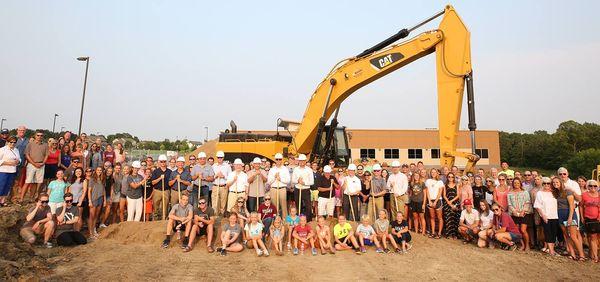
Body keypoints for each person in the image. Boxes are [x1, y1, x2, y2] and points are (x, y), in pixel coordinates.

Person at [553, 176, 586, 260]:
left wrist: (570, 218)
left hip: (569, 214)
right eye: (553, 183)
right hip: (561, 215)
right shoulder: (556, 193)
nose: (555, 184)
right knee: (566, 236)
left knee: (573, 236)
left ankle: (582, 255)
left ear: (561, 183)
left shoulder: (567, 191)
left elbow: (571, 206)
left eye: (557, 182)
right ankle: (572, 254)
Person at [20, 130, 48, 202]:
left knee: (36, 182)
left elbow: (46, 155)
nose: (39, 137)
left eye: (41, 135)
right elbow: (27, 155)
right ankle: (21, 199)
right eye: (38, 135)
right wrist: (33, 163)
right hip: (31, 165)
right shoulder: (30, 144)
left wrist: (43, 163)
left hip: (41, 165)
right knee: (28, 182)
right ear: (35, 136)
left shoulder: (45, 145)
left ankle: (31, 198)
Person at [534, 177, 559, 256]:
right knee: (548, 233)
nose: (546, 185)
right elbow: (537, 206)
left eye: (548, 183)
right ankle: (551, 251)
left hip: (555, 216)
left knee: (554, 233)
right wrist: (543, 215)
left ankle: (553, 249)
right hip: (546, 216)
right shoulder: (540, 193)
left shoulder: (554, 192)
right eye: (544, 183)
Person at [507, 177, 533, 250]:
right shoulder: (509, 193)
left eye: (518, 183)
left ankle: (527, 244)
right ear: (513, 184)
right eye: (515, 183)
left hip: (524, 213)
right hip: (514, 214)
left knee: (523, 230)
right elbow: (509, 204)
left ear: (520, 184)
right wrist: (514, 211)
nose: (516, 184)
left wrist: (523, 211)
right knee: (517, 230)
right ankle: (522, 244)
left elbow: (527, 202)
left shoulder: (525, 192)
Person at [580, 180, 599, 262]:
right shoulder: (584, 195)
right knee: (592, 237)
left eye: (595, 186)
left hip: (598, 218)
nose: (593, 187)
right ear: (587, 186)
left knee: (596, 237)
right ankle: (595, 256)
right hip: (589, 219)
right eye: (591, 186)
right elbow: (580, 206)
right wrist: (582, 217)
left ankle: (593, 254)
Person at [291, 154, 314, 221]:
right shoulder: (296, 169)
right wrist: (298, 181)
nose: (301, 162)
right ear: (298, 161)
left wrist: (304, 183)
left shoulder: (309, 170)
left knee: (308, 206)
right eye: (300, 161)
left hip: (306, 189)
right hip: (297, 189)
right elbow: (293, 180)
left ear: (305, 161)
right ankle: (298, 220)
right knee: (298, 205)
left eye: (303, 161)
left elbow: (312, 182)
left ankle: (309, 220)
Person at [267, 153, 290, 218]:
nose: (278, 161)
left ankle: (285, 222)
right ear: (275, 160)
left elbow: (288, 180)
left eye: (280, 159)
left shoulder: (285, 169)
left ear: (282, 160)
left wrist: (280, 179)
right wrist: (274, 177)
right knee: (274, 206)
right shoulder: (272, 169)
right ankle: (275, 220)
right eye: (277, 159)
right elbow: (269, 182)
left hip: (282, 188)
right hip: (273, 188)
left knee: (284, 206)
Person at [0, 136, 20, 206]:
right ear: (7, 142)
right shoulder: (2, 149)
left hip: (12, 171)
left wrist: (18, 161)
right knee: (1, 186)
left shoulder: (16, 150)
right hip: (3, 171)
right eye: (11, 142)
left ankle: (2, 201)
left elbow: (19, 159)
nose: (12, 144)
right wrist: (8, 163)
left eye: (14, 142)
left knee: (7, 186)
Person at [86, 166, 105, 238]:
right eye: (98, 170)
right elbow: (89, 191)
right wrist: (90, 201)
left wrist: (105, 200)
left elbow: (103, 190)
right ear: (95, 171)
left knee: (96, 216)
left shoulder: (102, 179)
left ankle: (94, 231)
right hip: (94, 199)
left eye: (100, 170)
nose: (99, 171)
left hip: (100, 198)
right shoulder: (92, 179)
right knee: (92, 216)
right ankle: (90, 233)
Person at [151, 154, 171, 220]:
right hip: (157, 191)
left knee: (165, 207)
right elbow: (153, 182)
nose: (163, 163)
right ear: (159, 162)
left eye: (164, 161)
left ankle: (164, 220)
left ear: (166, 162)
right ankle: (156, 220)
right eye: (161, 161)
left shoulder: (170, 171)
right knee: (156, 206)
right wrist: (160, 178)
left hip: (166, 191)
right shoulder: (155, 171)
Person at [426, 168, 444, 239]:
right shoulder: (428, 181)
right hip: (430, 200)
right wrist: (429, 201)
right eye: (432, 172)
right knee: (432, 217)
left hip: (438, 200)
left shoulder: (440, 182)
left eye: (434, 172)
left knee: (439, 218)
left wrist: (436, 201)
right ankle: (433, 232)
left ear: (437, 173)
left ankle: (439, 233)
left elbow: (440, 193)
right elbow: (427, 191)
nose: (433, 173)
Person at [212, 151, 231, 216]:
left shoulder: (227, 166)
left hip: (224, 187)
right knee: (215, 203)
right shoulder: (214, 166)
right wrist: (216, 175)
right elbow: (211, 177)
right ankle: (215, 217)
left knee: (223, 204)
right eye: (218, 157)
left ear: (223, 158)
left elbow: (230, 177)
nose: (220, 159)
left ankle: (221, 217)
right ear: (217, 158)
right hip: (215, 186)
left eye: (221, 157)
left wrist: (223, 176)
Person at [443, 173, 460, 239]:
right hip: (447, 204)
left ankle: (455, 234)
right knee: (448, 219)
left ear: (454, 178)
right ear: (447, 177)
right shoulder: (445, 185)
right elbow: (444, 195)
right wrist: (448, 202)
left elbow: (458, 195)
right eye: (449, 177)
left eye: (452, 177)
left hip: (455, 203)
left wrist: (452, 201)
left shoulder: (457, 185)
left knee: (455, 219)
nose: (450, 178)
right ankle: (449, 234)